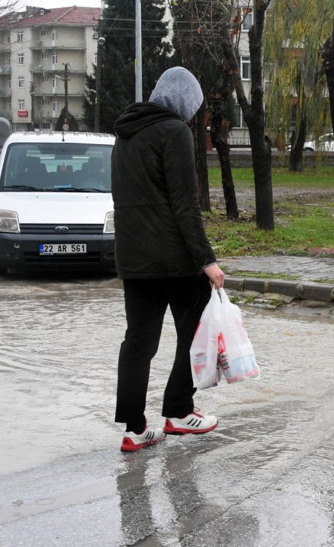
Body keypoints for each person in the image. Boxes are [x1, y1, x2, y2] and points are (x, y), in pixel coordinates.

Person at [112, 66, 226, 452]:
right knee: (195, 332)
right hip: (175, 258)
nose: (190, 117)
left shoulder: (125, 135)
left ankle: (134, 428)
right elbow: (185, 205)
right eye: (191, 108)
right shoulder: (174, 132)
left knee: (139, 342)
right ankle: (178, 411)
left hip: (133, 257)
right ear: (183, 103)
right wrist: (207, 260)